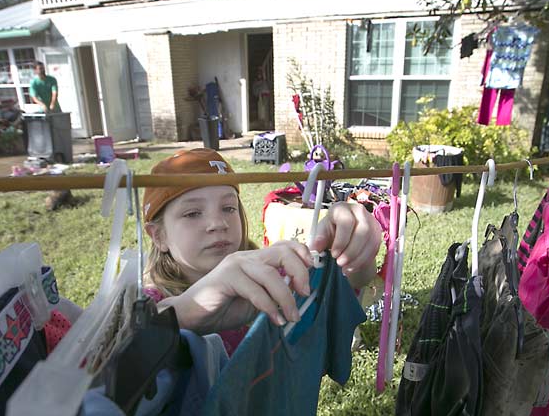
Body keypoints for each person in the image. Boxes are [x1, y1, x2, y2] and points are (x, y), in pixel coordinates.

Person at [142, 148, 381, 354]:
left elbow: (352, 281)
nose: (218, 223)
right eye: (193, 213)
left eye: (228, 208)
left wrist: (355, 250)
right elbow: (126, 343)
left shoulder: (268, 277)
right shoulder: (150, 302)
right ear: (158, 236)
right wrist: (187, 312)